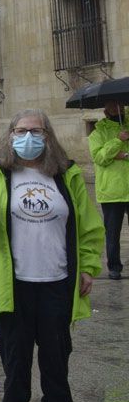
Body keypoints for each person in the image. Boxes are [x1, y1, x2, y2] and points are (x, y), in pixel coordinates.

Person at [0, 109, 103, 402]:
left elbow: (87, 227)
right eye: (20, 130)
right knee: (15, 354)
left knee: (57, 353)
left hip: (58, 281)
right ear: (10, 135)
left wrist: (87, 267)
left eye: (36, 131)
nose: (28, 137)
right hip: (14, 283)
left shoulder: (66, 175)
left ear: (48, 136)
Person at [87, 100, 128, 280]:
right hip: (111, 190)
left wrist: (123, 155)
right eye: (112, 107)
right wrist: (118, 141)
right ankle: (114, 267)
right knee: (112, 231)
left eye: (119, 106)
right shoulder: (97, 133)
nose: (116, 109)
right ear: (105, 111)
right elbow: (100, 158)